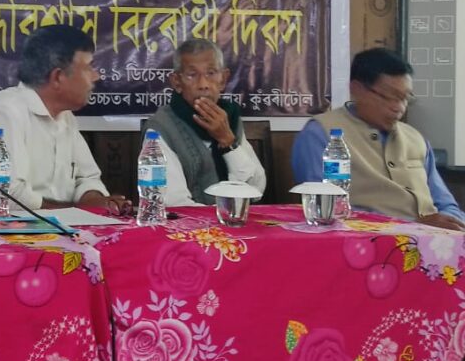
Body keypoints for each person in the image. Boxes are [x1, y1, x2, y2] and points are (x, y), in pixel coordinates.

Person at [0, 25, 130, 213]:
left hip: (52, 226)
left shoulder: (66, 117)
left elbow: (87, 178)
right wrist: (78, 210)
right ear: (58, 77)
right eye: (88, 67)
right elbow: (5, 197)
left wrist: (98, 202)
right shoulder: (3, 111)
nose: (96, 76)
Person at [291, 47, 465, 230]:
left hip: (438, 241)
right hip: (368, 242)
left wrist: (451, 223)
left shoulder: (415, 138)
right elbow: (324, 212)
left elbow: (446, 204)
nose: (399, 108)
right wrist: (411, 227)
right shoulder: (321, 135)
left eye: (405, 98)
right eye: (389, 97)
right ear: (356, 89)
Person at [145, 38, 267, 206]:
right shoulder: (160, 129)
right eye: (192, 75)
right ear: (176, 82)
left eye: (211, 73)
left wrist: (228, 141)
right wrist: (221, 216)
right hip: (191, 222)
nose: (203, 85)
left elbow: (256, 189)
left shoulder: (228, 118)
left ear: (223, 80)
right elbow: (173, 202)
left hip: (232, 219)